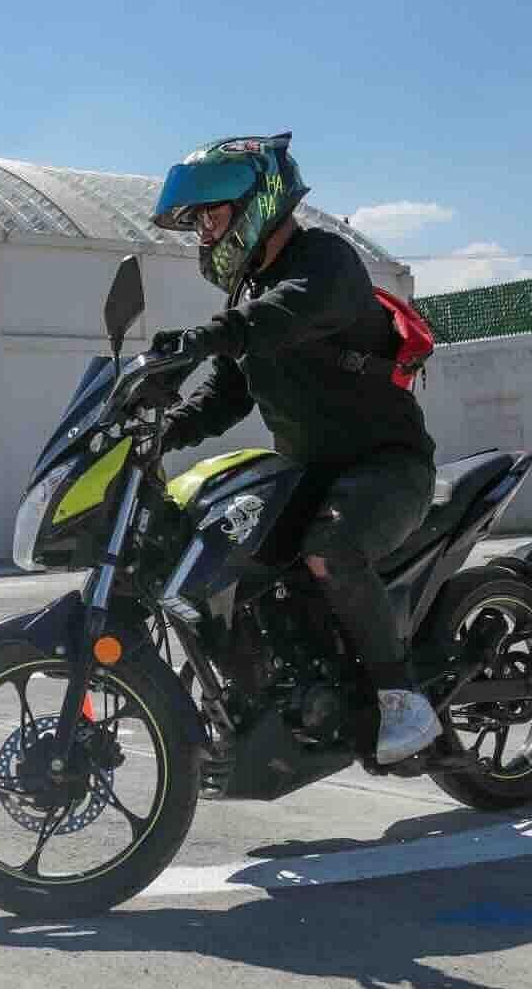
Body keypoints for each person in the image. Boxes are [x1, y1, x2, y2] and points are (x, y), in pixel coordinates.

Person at [147, 133, 443, 764]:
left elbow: (290, 312)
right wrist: (159, 428)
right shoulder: (251, 301)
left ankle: (401, 698)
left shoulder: (325, 264)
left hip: (386, 468)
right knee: (227, 549)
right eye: (197, 221)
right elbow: (227, 396)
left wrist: (208, 336)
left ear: (258, 202)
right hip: (310, 477)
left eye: (212, 215)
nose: (203, 232)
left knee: (329, 546)